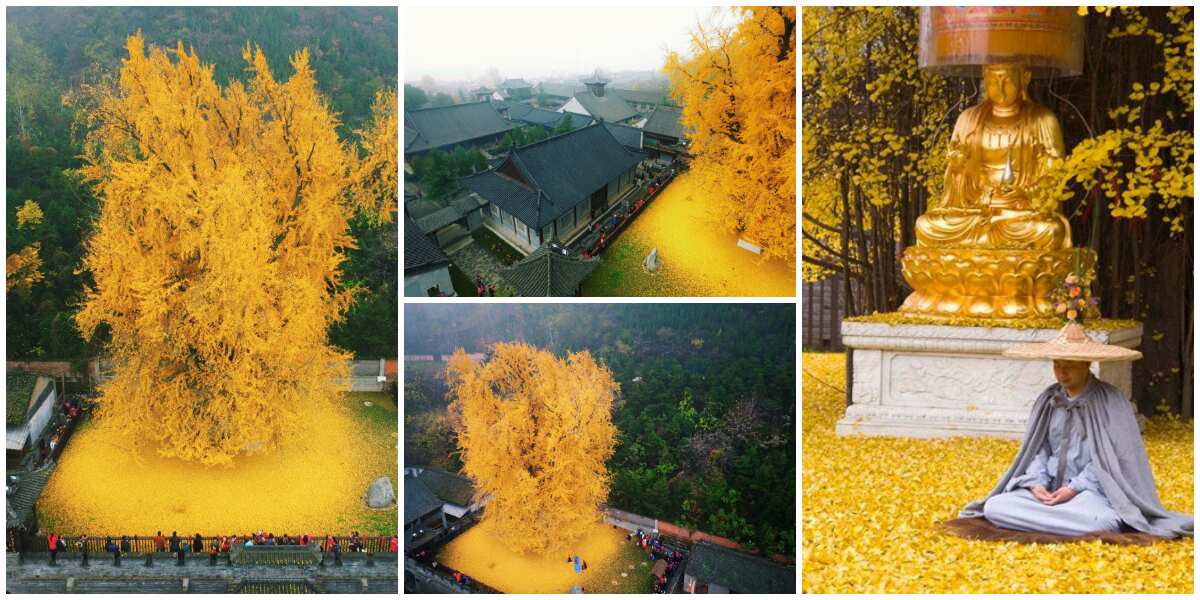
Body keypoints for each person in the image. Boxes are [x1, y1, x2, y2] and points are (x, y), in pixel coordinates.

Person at [961, 322, 1194, 538]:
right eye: (1057, 365)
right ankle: (1055, 520)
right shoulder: (1048, 399)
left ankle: (1048, 521)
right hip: (1048, 491)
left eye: (1069, 366)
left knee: (1102, 522)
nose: (1061, 373)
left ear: (1086, 364)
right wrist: (1037, 484)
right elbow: (1037, 450)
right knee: (995, 507)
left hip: (1091, 495)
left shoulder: (1111, 400)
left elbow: (1113, 460)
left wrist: (1074, 488)